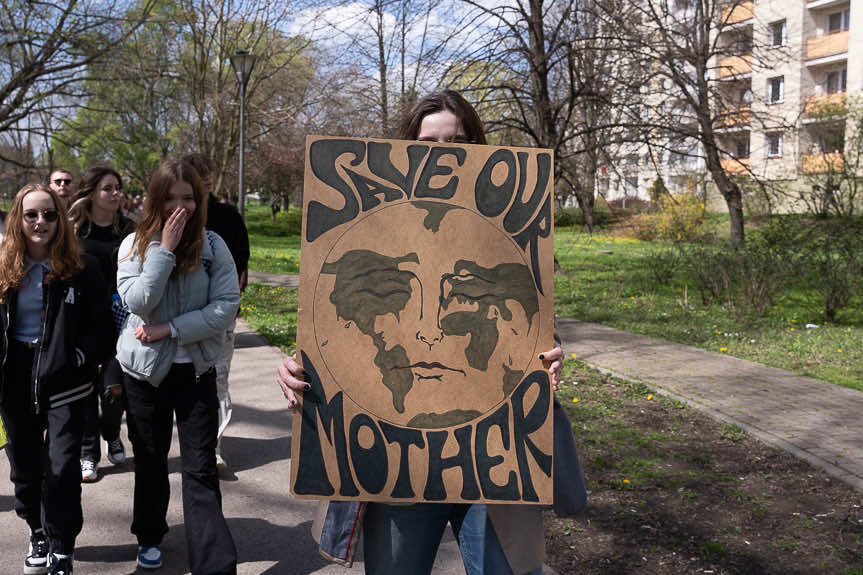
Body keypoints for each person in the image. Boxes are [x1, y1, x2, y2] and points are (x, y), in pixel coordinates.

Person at [277, 90, 564, 575]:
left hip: (496, 456)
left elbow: (533, 324)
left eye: (458, 141)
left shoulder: (514, 227)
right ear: (408, 148)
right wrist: (296, 368)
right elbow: (333, 323)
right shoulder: (367, 229)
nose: (445, 155)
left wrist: (553, 354)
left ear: (478, 145)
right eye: (430, 143)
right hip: (395, 456)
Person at [115, 158, 240, 573]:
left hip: (196, 371)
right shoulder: (133, 245)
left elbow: (225, 308)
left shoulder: (214, 246)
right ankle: (149, 536)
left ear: (200, 199)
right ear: (156, 199)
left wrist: (170, 328)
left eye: (188, 198)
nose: (179, 207)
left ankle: (214, 563)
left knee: (200, 469)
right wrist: (164, 251)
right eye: (170, 198)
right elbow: (137, 302)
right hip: (145, 374)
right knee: (150, 461)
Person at [0, 184, 111, 575]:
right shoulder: (3, 266)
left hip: (67, 380)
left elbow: (102, 328)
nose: (41, 222)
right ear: (18, 219)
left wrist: (79, 357)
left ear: (60, 219)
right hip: (14, 376)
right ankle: (37, 531)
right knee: (26, 467)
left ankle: (62, 546)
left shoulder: (82, 267)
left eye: (49, 213)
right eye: (32, 214)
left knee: (63, 467)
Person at [181, 153, 249, 471]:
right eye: (199, 173)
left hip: (221, 317)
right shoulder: (175, 218)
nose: (206, 178)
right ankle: (192, 441)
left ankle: (214, 448)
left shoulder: (229, 217)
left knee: (217, 379)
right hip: (181, 319)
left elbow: (241, 271)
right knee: (183, 382)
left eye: (209, 171)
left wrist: (227, 310)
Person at [68, 167, 137, 482]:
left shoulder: (129, 230)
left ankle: (112, 433)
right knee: (83, 395)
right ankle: (88, 455)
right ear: (92, 192)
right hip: (82, 324)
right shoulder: (73, 232)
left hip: (121, 324)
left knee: (112, 392)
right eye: (108, 188)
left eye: (118, 188)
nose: (115, 193)